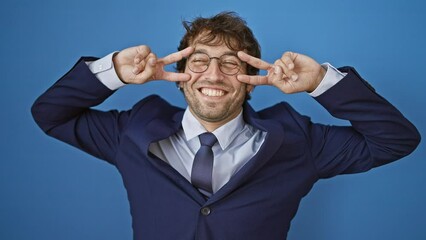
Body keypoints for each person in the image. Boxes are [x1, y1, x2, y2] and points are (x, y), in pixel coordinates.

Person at [31, 11, 420, 240]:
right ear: (181, 74)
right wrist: (112, 71)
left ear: (251, 78)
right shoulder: (133, 129)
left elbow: (396, 140)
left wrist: (321, 81)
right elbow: (50, 114)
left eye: (231, 63)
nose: (214, 74)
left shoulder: (298, 141)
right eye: (199, 61)